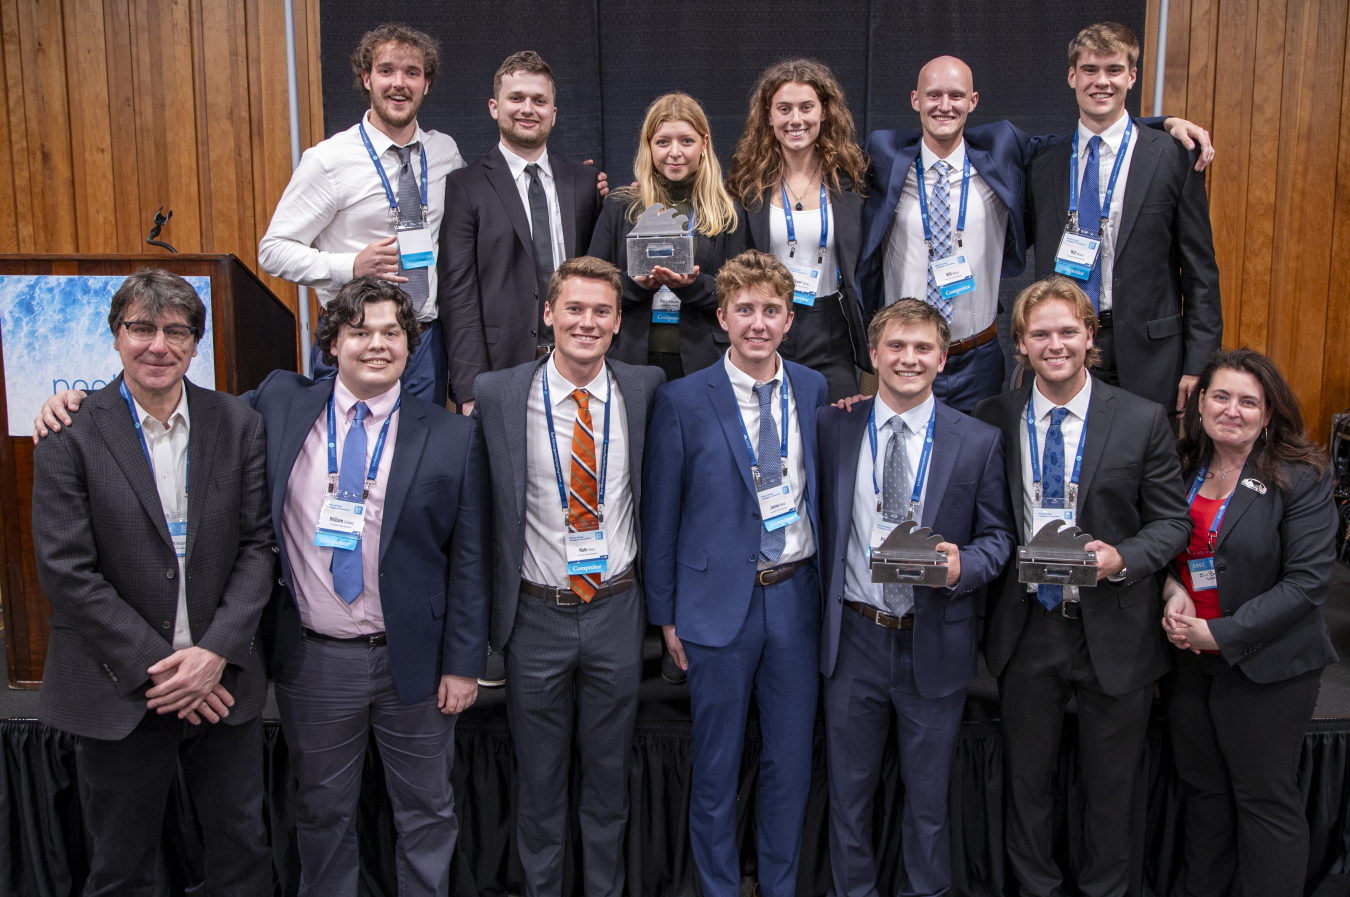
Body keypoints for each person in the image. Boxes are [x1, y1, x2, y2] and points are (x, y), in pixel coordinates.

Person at [35, 277, 489, 895]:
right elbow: (157, 396)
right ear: (332, 343)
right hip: (316, 658)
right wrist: (77, 401)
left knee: (428, 815)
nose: (376, 345)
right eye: (359, 332)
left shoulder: (453, 435)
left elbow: (469, 560)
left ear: (412, 345)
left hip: (414, 658)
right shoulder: (278, 403)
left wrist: (465, 662)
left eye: (392, 333)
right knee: (321, 814)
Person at [31, 268, 274, 895]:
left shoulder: (237, 424)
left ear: (196, 343)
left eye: (175, 331)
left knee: (241, 857)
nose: (158, 345)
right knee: (121, 868)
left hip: (223, 684)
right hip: (121, 690)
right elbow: (66, 571)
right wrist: (169, 671)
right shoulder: (70, 432)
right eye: (141, 328)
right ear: (116, 337)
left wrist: (213, 655)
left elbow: (257, 547)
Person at [972, 275, 1191, 897]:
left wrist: (1120, 557)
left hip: (1114, 629)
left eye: (1068, 331)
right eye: (1040, 334)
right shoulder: (994, 416)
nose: (1056, 344)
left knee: (1112, 792)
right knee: (1026, 787)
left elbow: (1173, 522)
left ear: (1091, 336)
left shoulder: (1143, 419)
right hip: (1027, 628)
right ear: (1020, 344)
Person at [859, 54, 1214, 413]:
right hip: (903, 356)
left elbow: (1088, 137)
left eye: (956, 95)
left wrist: (1163, 123)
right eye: (934, 96)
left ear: (973, 101)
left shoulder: (1000, 151)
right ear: (916, 100)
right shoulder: (884, 156)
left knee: (975, 463)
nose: (945, 106)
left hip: (976, 359)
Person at [472, 256, 664, 897]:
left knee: (609, 782)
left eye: (601, 311)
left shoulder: (646, 389)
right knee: (540, 782)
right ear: (548, 314)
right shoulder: (500, 394)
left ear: (617, 323)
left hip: (616, 609)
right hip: (535, 615)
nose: (587, 322)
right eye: (574, 309)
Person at [643, 249, 827, 897]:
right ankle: (718, 887)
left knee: (789, 762)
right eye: (744, 308)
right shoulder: (683, 400)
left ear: (789, 319)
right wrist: (665, 614)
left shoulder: (813, 388)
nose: (757, 321)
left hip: (796, 600)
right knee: (717, 766)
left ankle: (779, 885)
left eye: (770, 309)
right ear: (721, 316)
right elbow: (661, 516)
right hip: (715, 605)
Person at [817, 299, 1015, 897]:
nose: (909, 359)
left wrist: (963, 566)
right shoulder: (832, 426)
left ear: (944, 357)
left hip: (935, 644)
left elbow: (1000, 539)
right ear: (873, 355)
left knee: (928, 807)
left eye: (923, 348)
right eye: (896, 347)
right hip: (854, 641)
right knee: (848, 800)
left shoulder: (977, 440)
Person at [1161, 349, 1338, 897]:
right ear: (1199, 402)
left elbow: (1307, 583)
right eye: (1221, 396)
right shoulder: (1181, 464)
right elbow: (1168, 551)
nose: (1231, 410)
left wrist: (1224, 633)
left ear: (1268, 412)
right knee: (1204, 794)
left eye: (1248, 401)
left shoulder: (1300, 476)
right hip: (1188, 661)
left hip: (1267, 666)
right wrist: (1171, 589)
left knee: (1263, 801)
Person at [259, 23, 463, 406]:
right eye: (386, 70)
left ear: (427, 83)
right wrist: (350, 266)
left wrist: (572, 182)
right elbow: (273, 250)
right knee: (348, 454)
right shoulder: (328, 161)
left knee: (417, 456)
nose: (398, 83)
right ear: (366, 78)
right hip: (352, 337)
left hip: (423, 341)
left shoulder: (444, 152)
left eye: (412, 73)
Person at [1027, 23, 1222, 413]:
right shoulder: (1043, 163)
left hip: (1150, 355)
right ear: (1072, 76)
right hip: (1064, 347)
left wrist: (1200, 363)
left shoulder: (1172, 158)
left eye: (1114, 70)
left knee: (1143, 468)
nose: (1102, 82)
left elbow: (1201, 274)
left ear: (1132, 76)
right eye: (1090, 70)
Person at [439, 51, 608, 414]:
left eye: (539, 100)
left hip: (582, 362)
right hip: (503, 369)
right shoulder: (465, 186)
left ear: (553, 113)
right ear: (494, 107)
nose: (528, 109)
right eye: (516, 98)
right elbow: (458, 294)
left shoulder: (585, 182)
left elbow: (603, 273)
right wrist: (469, 390)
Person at [726, 59, 870, 401]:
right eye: (784, 109)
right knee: (772, 432)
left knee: (833, 432)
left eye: (806, 107)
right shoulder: (747, 184)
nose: (796, 120)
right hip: (767, 324)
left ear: (824, 112)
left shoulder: (852, 181)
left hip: (831, 329)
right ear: (768, 115)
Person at [588, 92, 745, 383]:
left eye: (686, 140)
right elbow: (592, 287)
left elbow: (740, 292)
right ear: (649, 145)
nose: (675, 152)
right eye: (663, 141)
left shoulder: (727, 210)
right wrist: (636, 286)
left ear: (704, 143)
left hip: (705, 359)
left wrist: (692, 285)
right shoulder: (622, 205)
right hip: (630, 357)